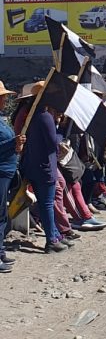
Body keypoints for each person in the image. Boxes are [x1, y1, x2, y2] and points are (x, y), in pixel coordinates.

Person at [21, 101, 70, 253]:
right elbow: (52, 141)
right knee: (47, 203)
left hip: (33, 166)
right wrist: (61, 132)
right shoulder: (45, 117)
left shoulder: (31, 115)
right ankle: (52, 240)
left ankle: (55, 234)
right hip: (45, 167)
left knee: (44, 203)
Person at [0, 81, 24, 270]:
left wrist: (16, 145)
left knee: (2, 215)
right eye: (2, 97)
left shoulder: (2, 119)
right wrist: (12, 143)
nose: (5, 99)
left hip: (6, 172)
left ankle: (0, 251)